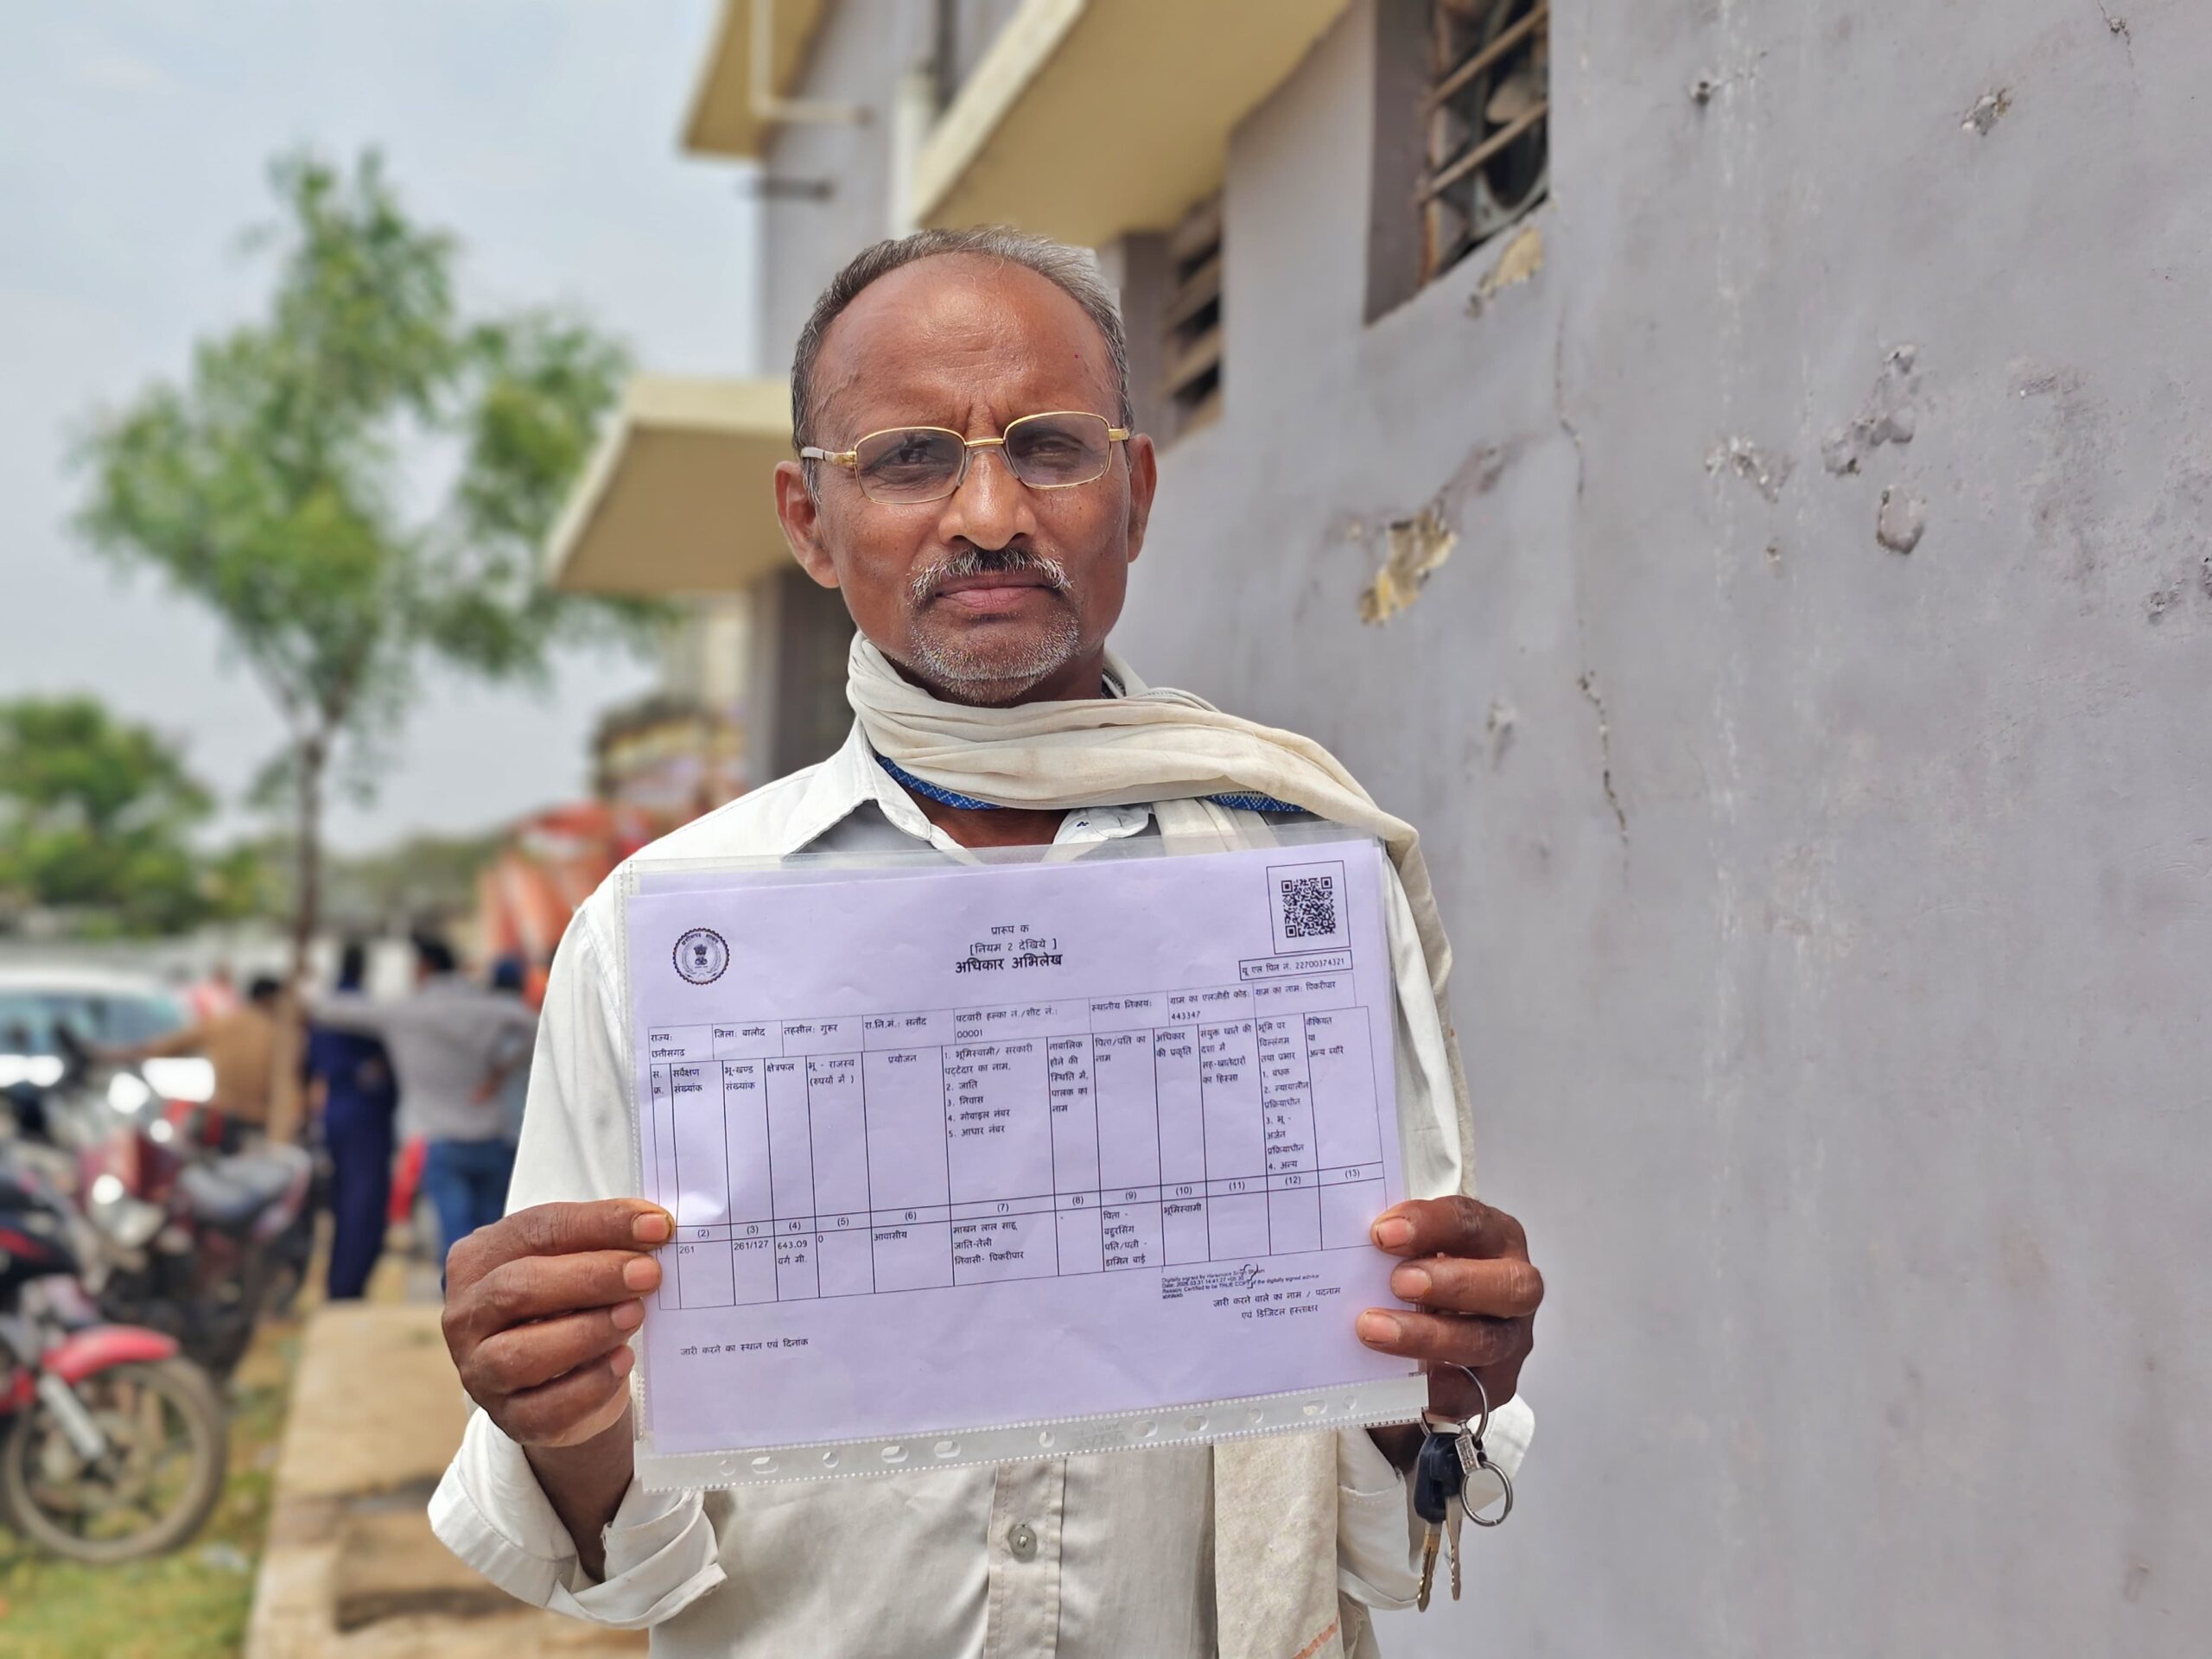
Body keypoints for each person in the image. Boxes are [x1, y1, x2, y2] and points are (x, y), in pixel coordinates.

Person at [431, 229, 1546, 1659]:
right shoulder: (659, 932)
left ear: (1135, 497)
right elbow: (623, 1561)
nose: (989, 511)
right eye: (908, 459)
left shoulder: (1301, 890)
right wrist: (562, 1415)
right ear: (808, 520)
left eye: (1050, 448)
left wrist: (1440, 1378)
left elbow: (1387, 1491)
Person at [311, 934, 538, 1261]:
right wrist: (501, 1072)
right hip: (493, 1135)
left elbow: (330, 1010)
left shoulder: (408, 1011)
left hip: (442, 1139)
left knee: (458, 1246)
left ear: (423, 967)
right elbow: (535, 1025)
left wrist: (307, 981)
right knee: (498, 1242)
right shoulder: (486, 1007)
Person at [304, 941, 399, 1300]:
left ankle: (341, 1282)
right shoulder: (365, 1012)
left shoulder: (325, 1010)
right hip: (366, 1118)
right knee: (364, 1203)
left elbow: (311, 1065)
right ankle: (348, 1283)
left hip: (337, 1113)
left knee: (343, 1203)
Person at [114, 972, 286, 1149]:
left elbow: (166, 1046)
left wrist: (117, 1054)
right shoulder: (282, 1034)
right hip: (265, 1125)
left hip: (224, 1121)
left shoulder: (223, 1024)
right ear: (270, 999)